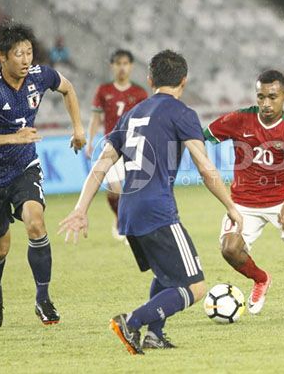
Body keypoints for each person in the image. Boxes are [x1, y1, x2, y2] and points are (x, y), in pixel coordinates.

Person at [58, 50, 243, 354]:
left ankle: (154, 335)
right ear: (184, 80)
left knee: (165, 274)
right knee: (194, 287)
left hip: (129, 211)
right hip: (157, 210)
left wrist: (81, 208)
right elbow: (206, 168)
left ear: (149, 79)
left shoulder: (134, 113)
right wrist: (231, 206)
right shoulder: (182, 113)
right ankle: (131, 322)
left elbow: (102, 164)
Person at [0, 22, 86, 327]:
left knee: (35, 221)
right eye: (19, 54)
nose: (26, 59)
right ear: (2, 56)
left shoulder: (40, 77)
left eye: (29, 52)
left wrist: (78, 129)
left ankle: (43, 299)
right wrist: (12, 137)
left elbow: (67, 88)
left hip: (24, 167)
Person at [204, 69, 284, 314]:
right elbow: (203, 136)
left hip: (280, 201)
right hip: (243, 203)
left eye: (272, 97)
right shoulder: (239, 120)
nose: (266, 103)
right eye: (261, 97)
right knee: (229, 250)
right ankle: (261, 279)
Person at [85, 49, 148, 241]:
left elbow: (146, 119)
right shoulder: (104, 91)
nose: (122, 67)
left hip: (133, 145)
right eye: (118, 63)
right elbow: (96, 117)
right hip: (110, 145)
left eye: (125, 63)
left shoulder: (139, 92)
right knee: (114, 189)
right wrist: (90, 141)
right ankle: (119, 219)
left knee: (133, 190)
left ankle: (131, 225)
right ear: (112, 66)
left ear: (131, 66)